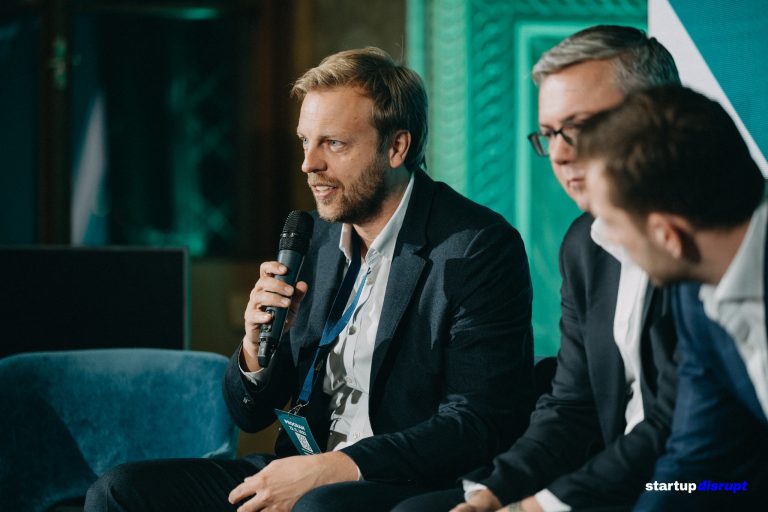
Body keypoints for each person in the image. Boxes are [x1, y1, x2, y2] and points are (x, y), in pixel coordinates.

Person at [84, 47, 534, 512]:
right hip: (300, 466)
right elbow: (250, 414)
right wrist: (256, 349)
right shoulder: (315, 238)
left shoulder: (474, 247)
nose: (309, 164)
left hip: (399, 481)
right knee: (120, 491)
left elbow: (477, 422)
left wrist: (337, 468)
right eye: (305, 141)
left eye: (333, 144)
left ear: (396, 147)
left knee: (320, 507)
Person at [393, 25, 680, 512]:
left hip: (704, 486)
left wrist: (542, 504)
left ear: (656, 116)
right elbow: (572, 405)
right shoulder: (584, 245)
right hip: (611, 478)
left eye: (580, 127)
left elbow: (676, 423)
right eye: (549, 135)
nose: (561, 154)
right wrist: (493, 493)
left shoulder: (710, 233)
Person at [580, 84, 768, 511]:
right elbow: (692, 461)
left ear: (668, 235)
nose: (606, 240)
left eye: (613, 224)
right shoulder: (693, 296)